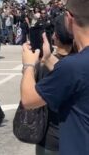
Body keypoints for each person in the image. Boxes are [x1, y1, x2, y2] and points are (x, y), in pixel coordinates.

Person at [20, 0, 89, 155]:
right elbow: (77, 80)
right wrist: (49, 59)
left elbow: (29, 100)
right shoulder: (74, 67)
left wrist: (28, 65)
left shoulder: (73, 66)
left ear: (69, 17)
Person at [35, 15, 74, 155]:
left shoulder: (44, 67)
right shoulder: (81, 63)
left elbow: (29, 101)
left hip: (51, 138)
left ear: (55, 37)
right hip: (79, 137)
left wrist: (28, 67)